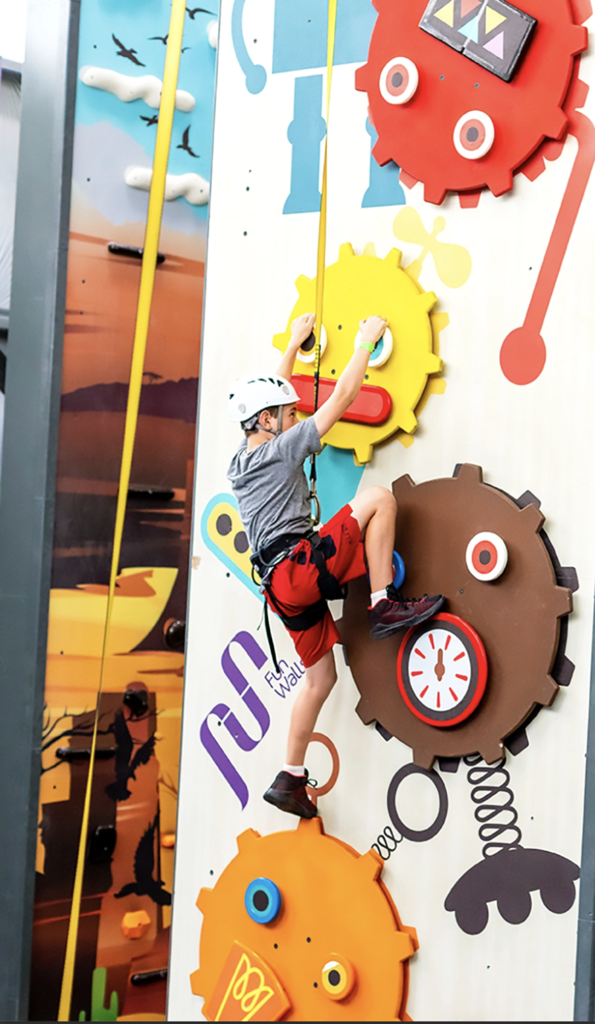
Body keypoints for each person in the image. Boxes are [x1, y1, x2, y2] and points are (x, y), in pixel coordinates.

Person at [227, 312, 444, 818]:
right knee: (379, 498)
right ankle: (384, 604)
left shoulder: (240, 460)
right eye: (288, 413)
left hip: (280, 589)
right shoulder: (282, 449)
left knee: (320, 678)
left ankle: (289, 776)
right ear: (268, 422)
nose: (294, 416)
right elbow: (343, 397)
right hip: (299, 567)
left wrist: (292, 347)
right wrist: (364, 343)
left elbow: (269, 400)